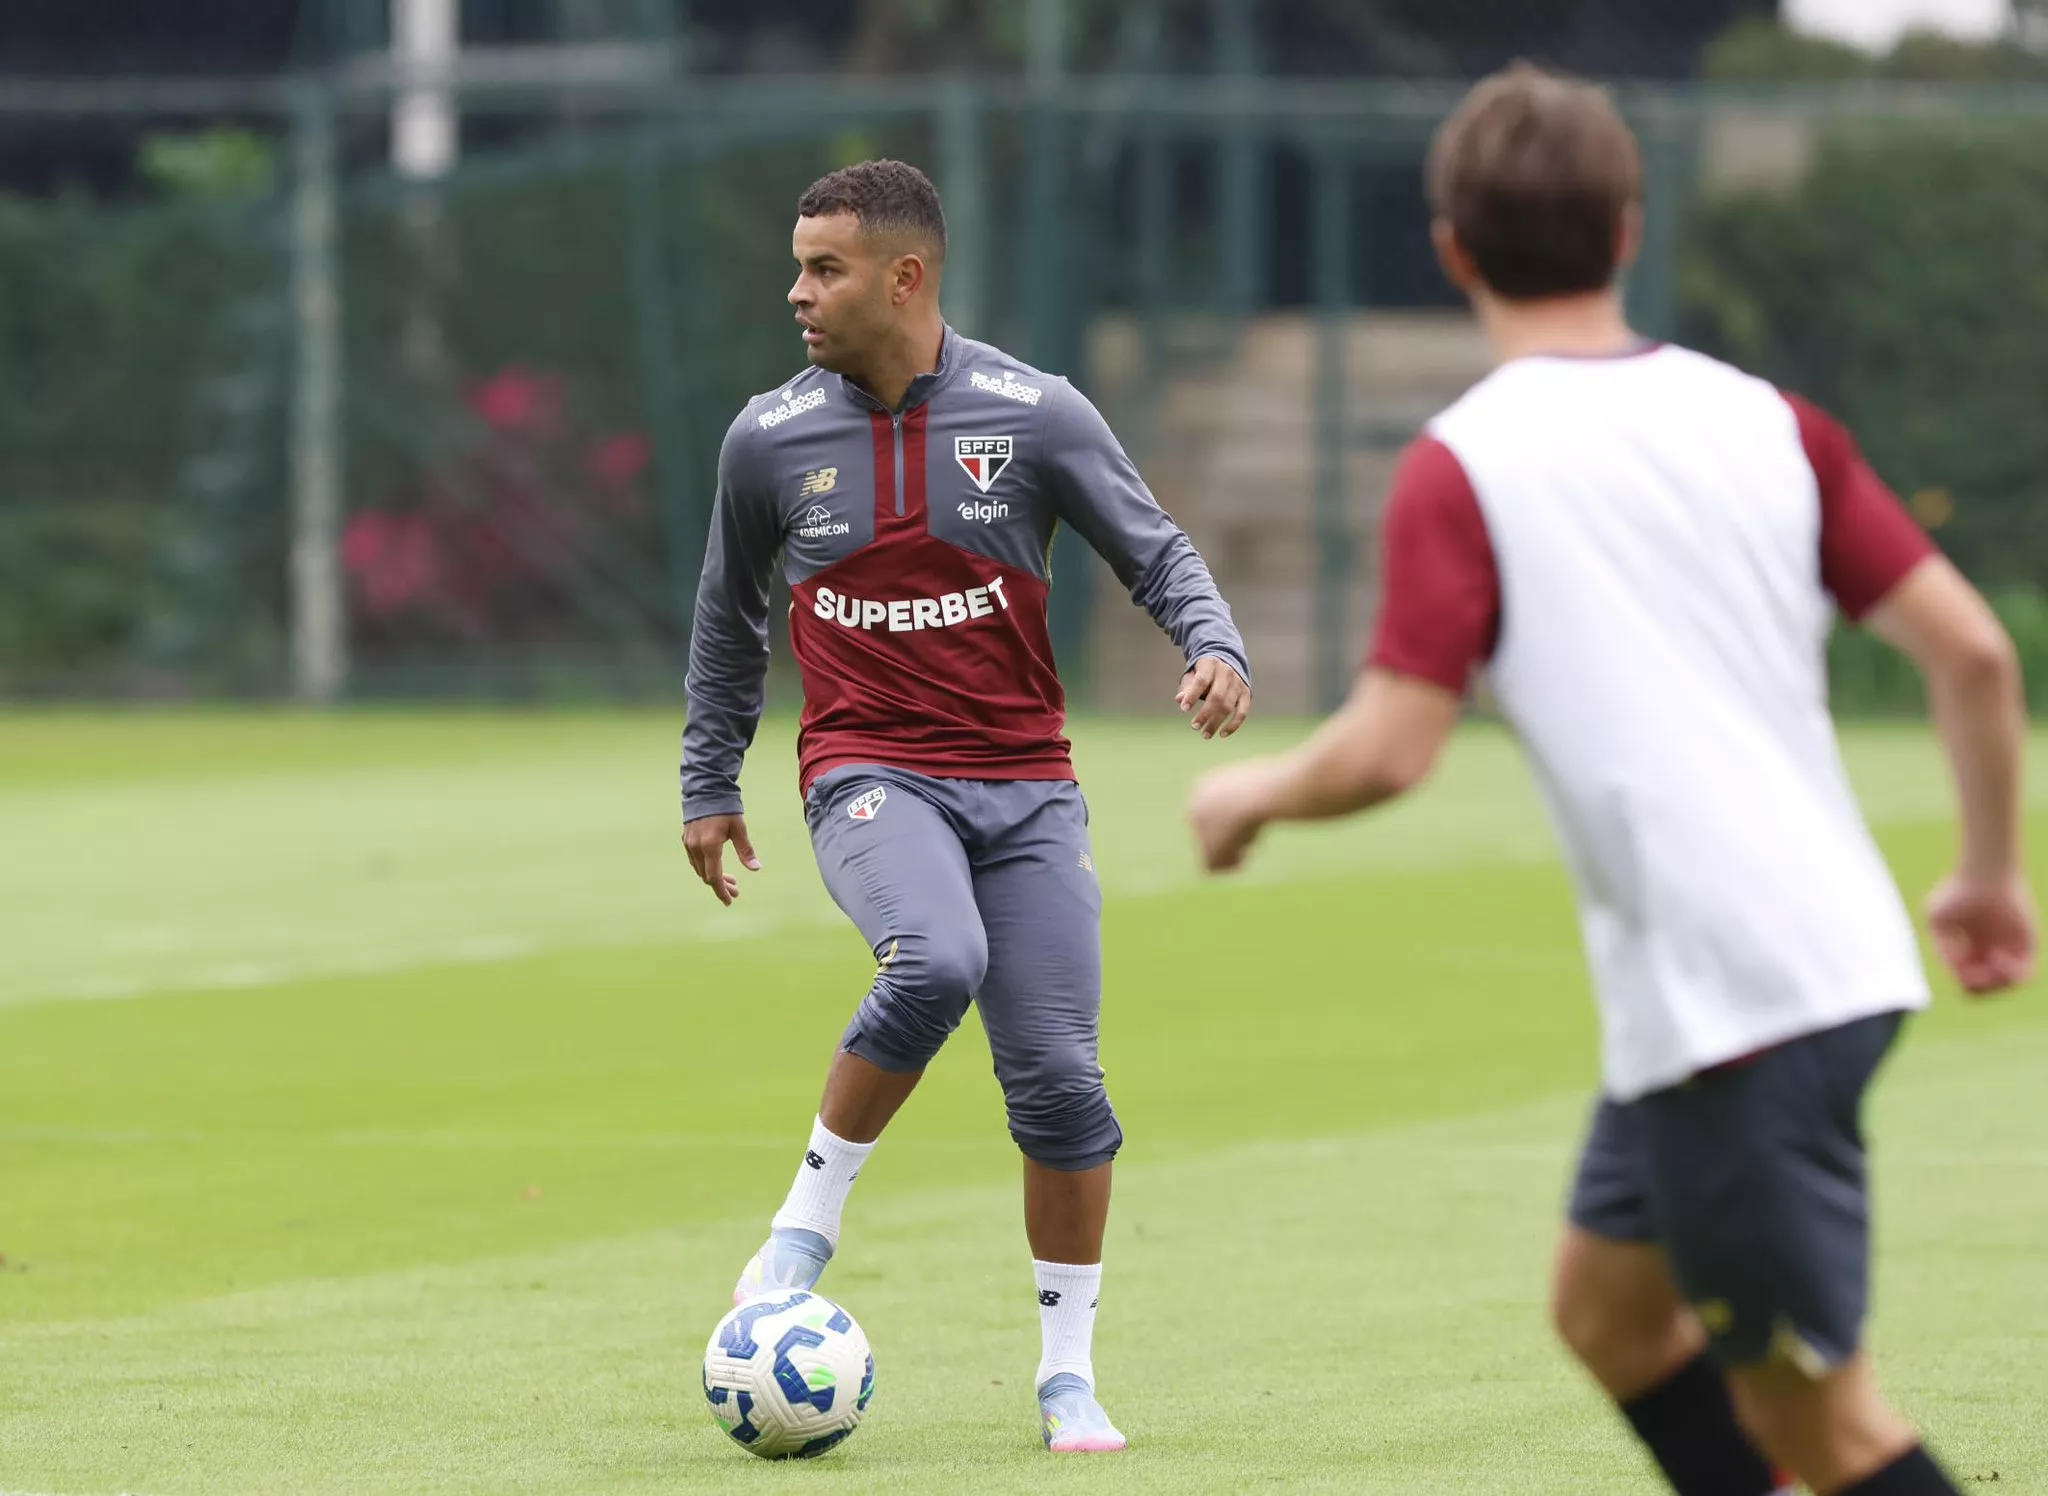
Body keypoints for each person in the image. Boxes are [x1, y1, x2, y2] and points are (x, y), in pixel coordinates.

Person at [1186, 66, 2034, 1496]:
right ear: (1630, 229)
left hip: (1745, 1005)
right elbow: (1976, 655)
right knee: (1610, 1314)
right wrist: (1989, 873)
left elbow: (1393, 745)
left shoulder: (1464, 463)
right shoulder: (1771, 421)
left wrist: (1252, 792)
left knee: (1827, 1427)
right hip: (1765, 982)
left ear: (1453, 250)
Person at [682, 159, 1252, 1454]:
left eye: (823, 269)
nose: (797, 293)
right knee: (935, 956)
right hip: (869, 771)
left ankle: (1067, 1377)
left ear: (906, 277)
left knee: (1060, 1080)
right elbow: (728, 620)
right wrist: (709, 781)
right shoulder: (767, 438)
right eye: (797, 266)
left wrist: (1212, 641)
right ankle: (802, 1230)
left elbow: (1155, 549)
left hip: (1027, 789)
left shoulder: (1034, 416)